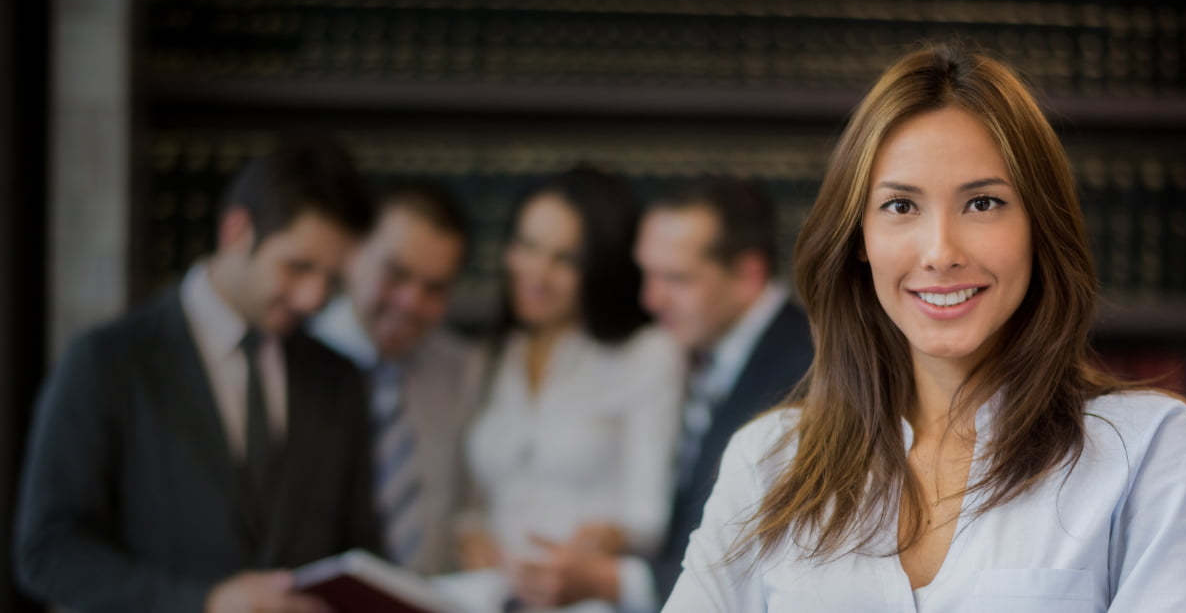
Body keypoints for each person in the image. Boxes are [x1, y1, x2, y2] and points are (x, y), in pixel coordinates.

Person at [664, 45, 1186, 611]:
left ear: (1039, 226)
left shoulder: (1145, 448)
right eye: (901, 206)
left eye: (983, 203)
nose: (940, 253)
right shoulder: (767, 462)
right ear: (860, 239)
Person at [13, 137, 381, 613]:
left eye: (331, 280)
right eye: (297, 267)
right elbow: (47, 552)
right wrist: (203, 602)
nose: (312, 298)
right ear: (236, 231)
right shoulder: (107, 363)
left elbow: (362, 555)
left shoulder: (339, 377)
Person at [510, 177, 814, 611]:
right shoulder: (695, 354)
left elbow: (768, 564)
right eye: (646, 273)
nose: (651, 299)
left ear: (749, 275)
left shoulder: (805, 373)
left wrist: (609, 581)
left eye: (676, 278)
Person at [458, 165, 684, 599]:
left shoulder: (646, 355)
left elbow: (648, 519)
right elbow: (477, 499)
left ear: (600, 267)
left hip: (583, 598)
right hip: (487, 594)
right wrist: (470, 534)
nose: (536, 273)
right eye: (526, 246)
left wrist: (603, 542)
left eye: (565, 260)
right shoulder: (495, 355)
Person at [311, 181, 482, 575]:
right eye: (396, 274)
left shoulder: (463, 369)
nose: (410, 303)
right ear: (352, 254)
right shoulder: (296, 362)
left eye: (435, 288)